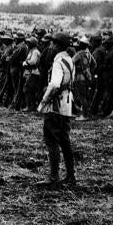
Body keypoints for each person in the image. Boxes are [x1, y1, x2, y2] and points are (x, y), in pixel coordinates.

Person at [37, 31, 76, 189]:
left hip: (56, 104)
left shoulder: (58, 61)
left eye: (52, 43)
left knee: (52, 139)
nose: (50, 45)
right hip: (67, 104)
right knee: (65, 141)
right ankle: (70, 176)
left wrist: (44, 101)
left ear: (57, 45)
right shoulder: (69, 60)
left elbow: (54, 84)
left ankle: (54, 177)